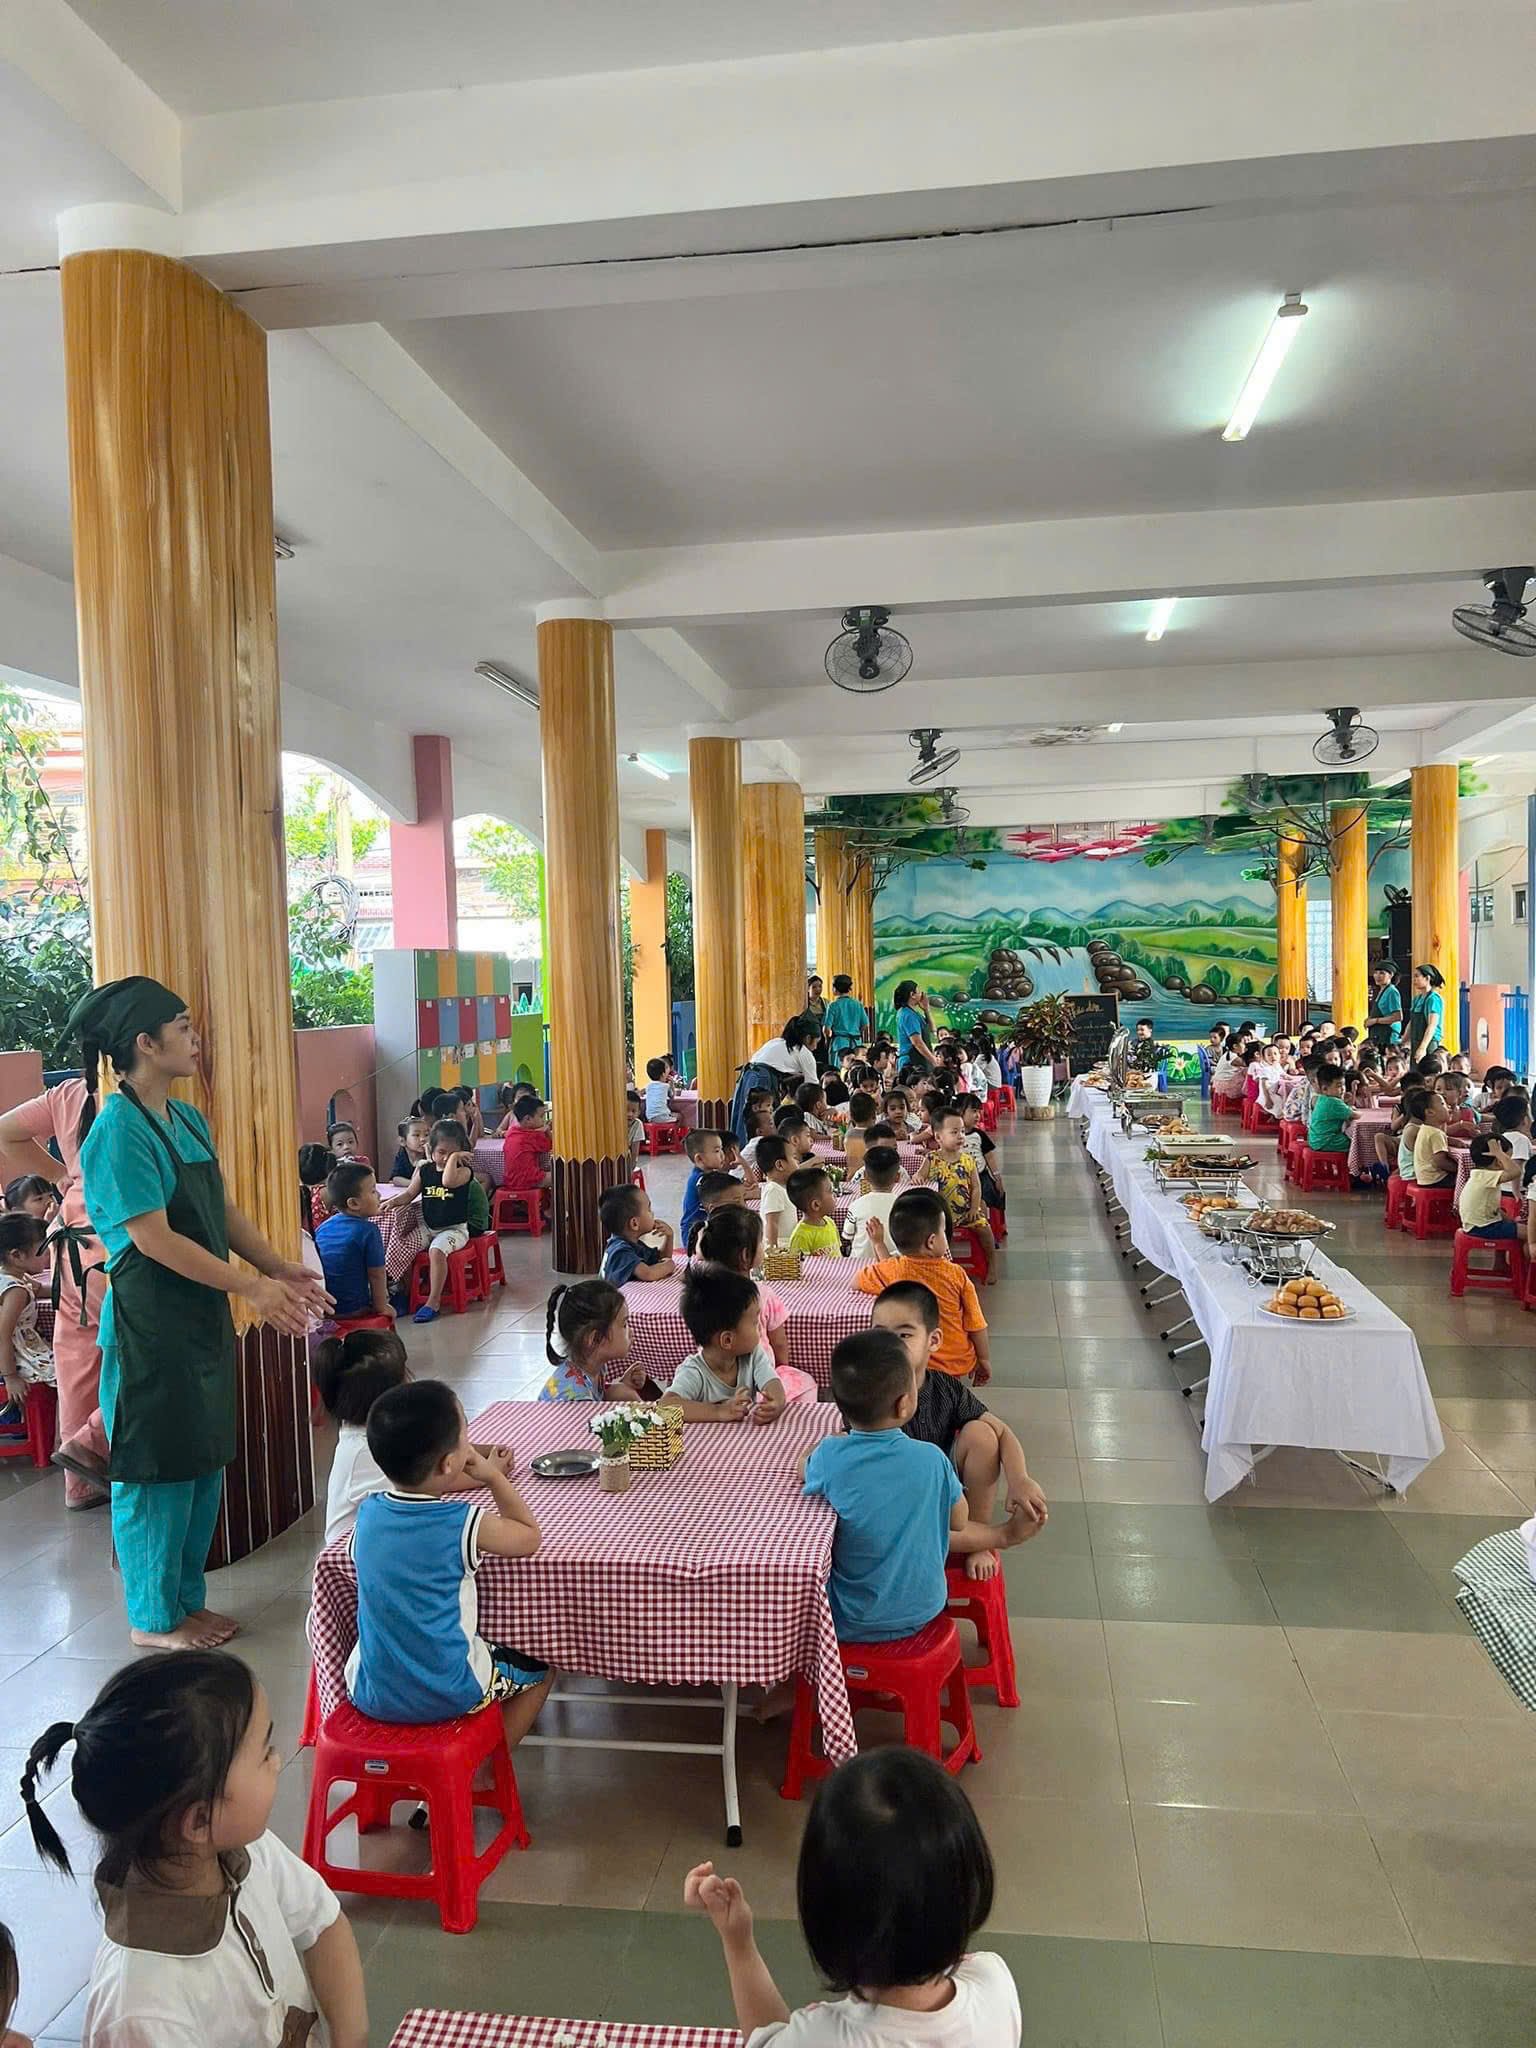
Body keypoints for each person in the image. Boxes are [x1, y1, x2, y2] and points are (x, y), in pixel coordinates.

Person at [71, 978, 328, 1649]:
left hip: (198, 1319)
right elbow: (153, 1239)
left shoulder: (185, 1119)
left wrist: (276, 1266)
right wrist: (249, 1288)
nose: (196, 1038)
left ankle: (186, 1602)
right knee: (155, 1471)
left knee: (200, 1461)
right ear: (146, 1043)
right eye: (182, 1027)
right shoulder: (117, 1131)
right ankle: (152, 1619)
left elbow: (221, 1210)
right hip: (150, 1327)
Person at [22, 1651, 367, 2048]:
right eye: (264, 1753)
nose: (277, 1761)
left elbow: (323, 1925)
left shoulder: (243, 1851)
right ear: (200, 1821)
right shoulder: (142, 2011)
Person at [684, 1746, 1020, 2047]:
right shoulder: (994, 1982)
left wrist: (738, 1942)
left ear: (825, 1917)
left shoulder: (819, 2038)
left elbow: (766, 2039)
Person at [346, 1378, 553, 1741]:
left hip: (370, 1690)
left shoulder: (368, 1515)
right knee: (544, 1666)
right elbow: (528, 1536)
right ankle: (487, 1762)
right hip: (449, 1690)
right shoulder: (461, 1522)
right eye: (464, 1435)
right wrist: (492, 1477)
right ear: (448, 1464)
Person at [803, 1329, 1033, 1643]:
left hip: (849, 1618)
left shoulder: (830, 1455)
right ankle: (1003, 1535)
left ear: (840, 1406)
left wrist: (819, 1448)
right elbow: (958, 1520)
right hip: (925, 1609)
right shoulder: (932, 1459)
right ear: (904, 1404)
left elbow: (803, 1467)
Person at [873, 1280, 1047, 1581]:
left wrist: (1019, 1479)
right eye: (880, 1335)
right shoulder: (870, 1394)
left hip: (945, 1490)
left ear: (933, 1340)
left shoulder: (945, 1387)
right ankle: (997, 1536)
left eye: (904, 1334)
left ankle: (978, 1537)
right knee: (905, 1529)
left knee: (982, 1434)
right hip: (898, 1501)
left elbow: (1002, 1432)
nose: (891, 1346)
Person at [0, 1070, 112, 1509]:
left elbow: (7, 1130)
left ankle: (79, 1486)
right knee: (140, 1353)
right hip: (117, 1238)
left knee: (77, 1361)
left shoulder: (67, 1092)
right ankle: (92, 1442)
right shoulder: (137, 1088)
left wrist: (65, 1178)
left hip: (70, 1242)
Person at [855, 1189, 990, 1385]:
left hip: (912, 1361)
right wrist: (984, 1360)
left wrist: (878, 1243)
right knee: (948, 1396)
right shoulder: (956, 1274)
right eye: (943, 1231)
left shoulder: (893, 1270)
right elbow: (976, 1323)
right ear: (932, 1241)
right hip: (953, 1361)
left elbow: (858, 1280)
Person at [315, 1325, 410, 1544]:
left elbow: (432, 1455)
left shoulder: (377, 1432)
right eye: (404, 1378)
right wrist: (486, 1471)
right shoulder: (363, 1451)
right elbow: (427, 1479)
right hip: (356, 1562)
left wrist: (479, 1454)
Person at [665, 1264, 785, 1424]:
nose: (759, 1328)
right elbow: (666, 1406)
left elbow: (772, 1381)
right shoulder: (695, 1372)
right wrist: (719, 1411)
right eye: (755, 1322)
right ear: (727, 1340)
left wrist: (777, 1401)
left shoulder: (753, 1356)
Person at [384, 1118, 474, 1324]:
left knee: (436, 1251)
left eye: (453, 1153)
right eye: (441, 1152)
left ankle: (433, 1302)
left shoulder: (464, 1172)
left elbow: (448, 1181)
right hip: (428, 1227)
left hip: (454, 1230)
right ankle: (403, 1291)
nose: (446, 1158)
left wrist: (454, 1159)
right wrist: (392, 1202)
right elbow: (409, 1194)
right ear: (431, 1151)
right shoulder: (425, 1170)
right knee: (402, 1246)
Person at [698, 1206, 789, 1372]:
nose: (763, 1245)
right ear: (745, 1255)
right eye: (761, 1241)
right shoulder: (762, 1294)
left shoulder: (701, 1294)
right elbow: (779, 1342)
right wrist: (784, 1371)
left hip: (714, 1375)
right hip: (761, 1377)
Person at [541, 1278, 651, 1401]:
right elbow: (589, 1411)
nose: (631, 1332)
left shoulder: (593, 1367)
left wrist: (624, 1384)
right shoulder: (578, 1399)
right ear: (595, 1339)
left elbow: (598, 1397)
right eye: (624, 1325)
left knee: (623, 1392)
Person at [314, 1162, 390, 1322]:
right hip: (353, 1309)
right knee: (390, 1311)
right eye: (373, 1191)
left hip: (324, 1309)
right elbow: (377, 1275)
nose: (379, 1195)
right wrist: (382, 1307)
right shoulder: (369, 1231)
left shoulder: (323, 1227)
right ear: (353, 1203)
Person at [0, 1214, 54, 1433]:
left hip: (18, 1348)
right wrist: (10, 1377)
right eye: (42, 1250)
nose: (47, 1255)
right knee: (66, 1372)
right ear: (16, 1255)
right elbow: (3, 1336)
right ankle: (55, 1434)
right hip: (16, 1355)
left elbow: (43, 1290)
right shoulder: (15, 1291)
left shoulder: (16, 1276)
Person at [599, 1183, 676, 1284]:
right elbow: (648, 1273)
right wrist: (668, 1266)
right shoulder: (620, 1251)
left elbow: (661, 1258)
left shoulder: (632, 1243)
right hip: (612, 1294)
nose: (652, 1213)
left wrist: (669, 1237)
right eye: (649, 1209)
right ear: (634, 1223)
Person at [845, 1144, 904, 1261]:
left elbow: (848, 1236)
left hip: (859, 1263)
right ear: (897, 1177)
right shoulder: (903, 1206)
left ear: (865, 1176)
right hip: (892, 1263)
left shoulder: (856, 1205)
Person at [1458, 1133, 1522, 1241]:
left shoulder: (1480, 1175)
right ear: (1498, 1161)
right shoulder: (1486, 1175)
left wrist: (1511, 1221)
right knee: (1531, 1232)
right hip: (1484, 1228)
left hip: (1477, 1225)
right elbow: (1516, 1172)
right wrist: (1499, 1153)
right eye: (1508, 1158)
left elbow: (1494, 1209)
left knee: (1522, 1228)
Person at [747, 1018, 820, 1091]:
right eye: (816, 1042)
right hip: (764, 1085)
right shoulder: (804, 1052)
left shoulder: (774, 1041)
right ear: (808, 1038)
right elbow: (813, 1089)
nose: (816, 1047)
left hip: (746, 1080)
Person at [500, 1095, 553, 1195]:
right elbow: (551, 1145)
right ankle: (555, 1205)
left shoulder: (511, 1132)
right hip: (528, 1179)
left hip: (510, 1179)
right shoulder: (532, 1136)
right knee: (563, 1176)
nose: (543, 1120)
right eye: (541, 1116)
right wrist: (547, 1131)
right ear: (528, 1119)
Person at [787, 1167, 842, 1256]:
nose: (834, 1194)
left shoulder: (830, 1222)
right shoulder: (801, 1237)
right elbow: (799, 1263)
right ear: (816, 1205)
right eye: (831, 1191)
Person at [687, 1169, 746, 1252]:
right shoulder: (712, 1238)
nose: (744, 1205)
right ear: (714, 1209)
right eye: (736, 1201)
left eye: (744, 1199)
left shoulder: (740, 1225)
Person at [1305, 1063, 1354, 1155]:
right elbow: (1355, 1115)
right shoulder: (1333, 1102)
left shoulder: (1321, 1098)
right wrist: (1362, 1112)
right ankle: (1355, 1164)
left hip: (1315, 1140)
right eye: (1338, 1086)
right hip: (1327, 1142)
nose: (1343, 1089)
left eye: (1343, 1085)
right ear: (1324, 1089)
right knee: (1357, 1143)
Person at [1412, 1088, 1456, 1189]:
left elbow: (1442, 1140)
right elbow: (1440, 1161)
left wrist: (1455, 1142)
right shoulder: (1436, 1133)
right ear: (1430, 1112)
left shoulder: (1426, 1129)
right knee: (1465, 1178)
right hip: (1435, 1179)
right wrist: (1458, 1169)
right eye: (1443, 1104)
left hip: (1424, 1178)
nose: (1448, 1106)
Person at [892, 983, 938, 1072]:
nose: (922, 994)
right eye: (919, 991)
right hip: (912, 1062)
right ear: (912, 995)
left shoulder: (914, 1013)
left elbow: (933, 1029)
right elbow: (917, 1042)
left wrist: (926, 1009)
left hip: (920, 1059)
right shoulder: (908, 1014)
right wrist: (934, 1061)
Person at [823, 974, 869, 1062]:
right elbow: (865, 1025)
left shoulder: (833, 1005)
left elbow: (826, 1029)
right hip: (856, 1044)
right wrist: (855, 1032)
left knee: (839, 1069)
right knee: (855, 1067)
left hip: (839, 1044)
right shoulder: (858, 1004)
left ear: (835, 988)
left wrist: (827, 1039)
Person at [1408, 964, 1447, 1062]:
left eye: (1417, 976)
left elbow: (1432, 1025)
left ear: (1427, 978)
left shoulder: (1433, 999)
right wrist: (1403, 1041)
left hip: (1429, 1043)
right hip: (1415, 1042)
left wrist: (1423, 1047)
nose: (1414, 980)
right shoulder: (1417, 999)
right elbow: (1412, 1022)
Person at [390, 1114, 432, 1184]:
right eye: (417, 1135)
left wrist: (429, 1159)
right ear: (402, 1141)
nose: (423, 1139)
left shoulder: (433, 1154)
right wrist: (413, 1185)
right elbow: (396, 1178)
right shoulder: (402, 1154)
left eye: (426, 1134)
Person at [642, 1056, 677, 1127]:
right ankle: (674, 1132)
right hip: (662, 1117)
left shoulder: (648, 1086)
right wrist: (672, 1084)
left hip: (650, 1117)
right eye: (666, 1069)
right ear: (663, 1074)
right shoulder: (665, 1086)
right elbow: (672, 1096)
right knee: (679, 1116)